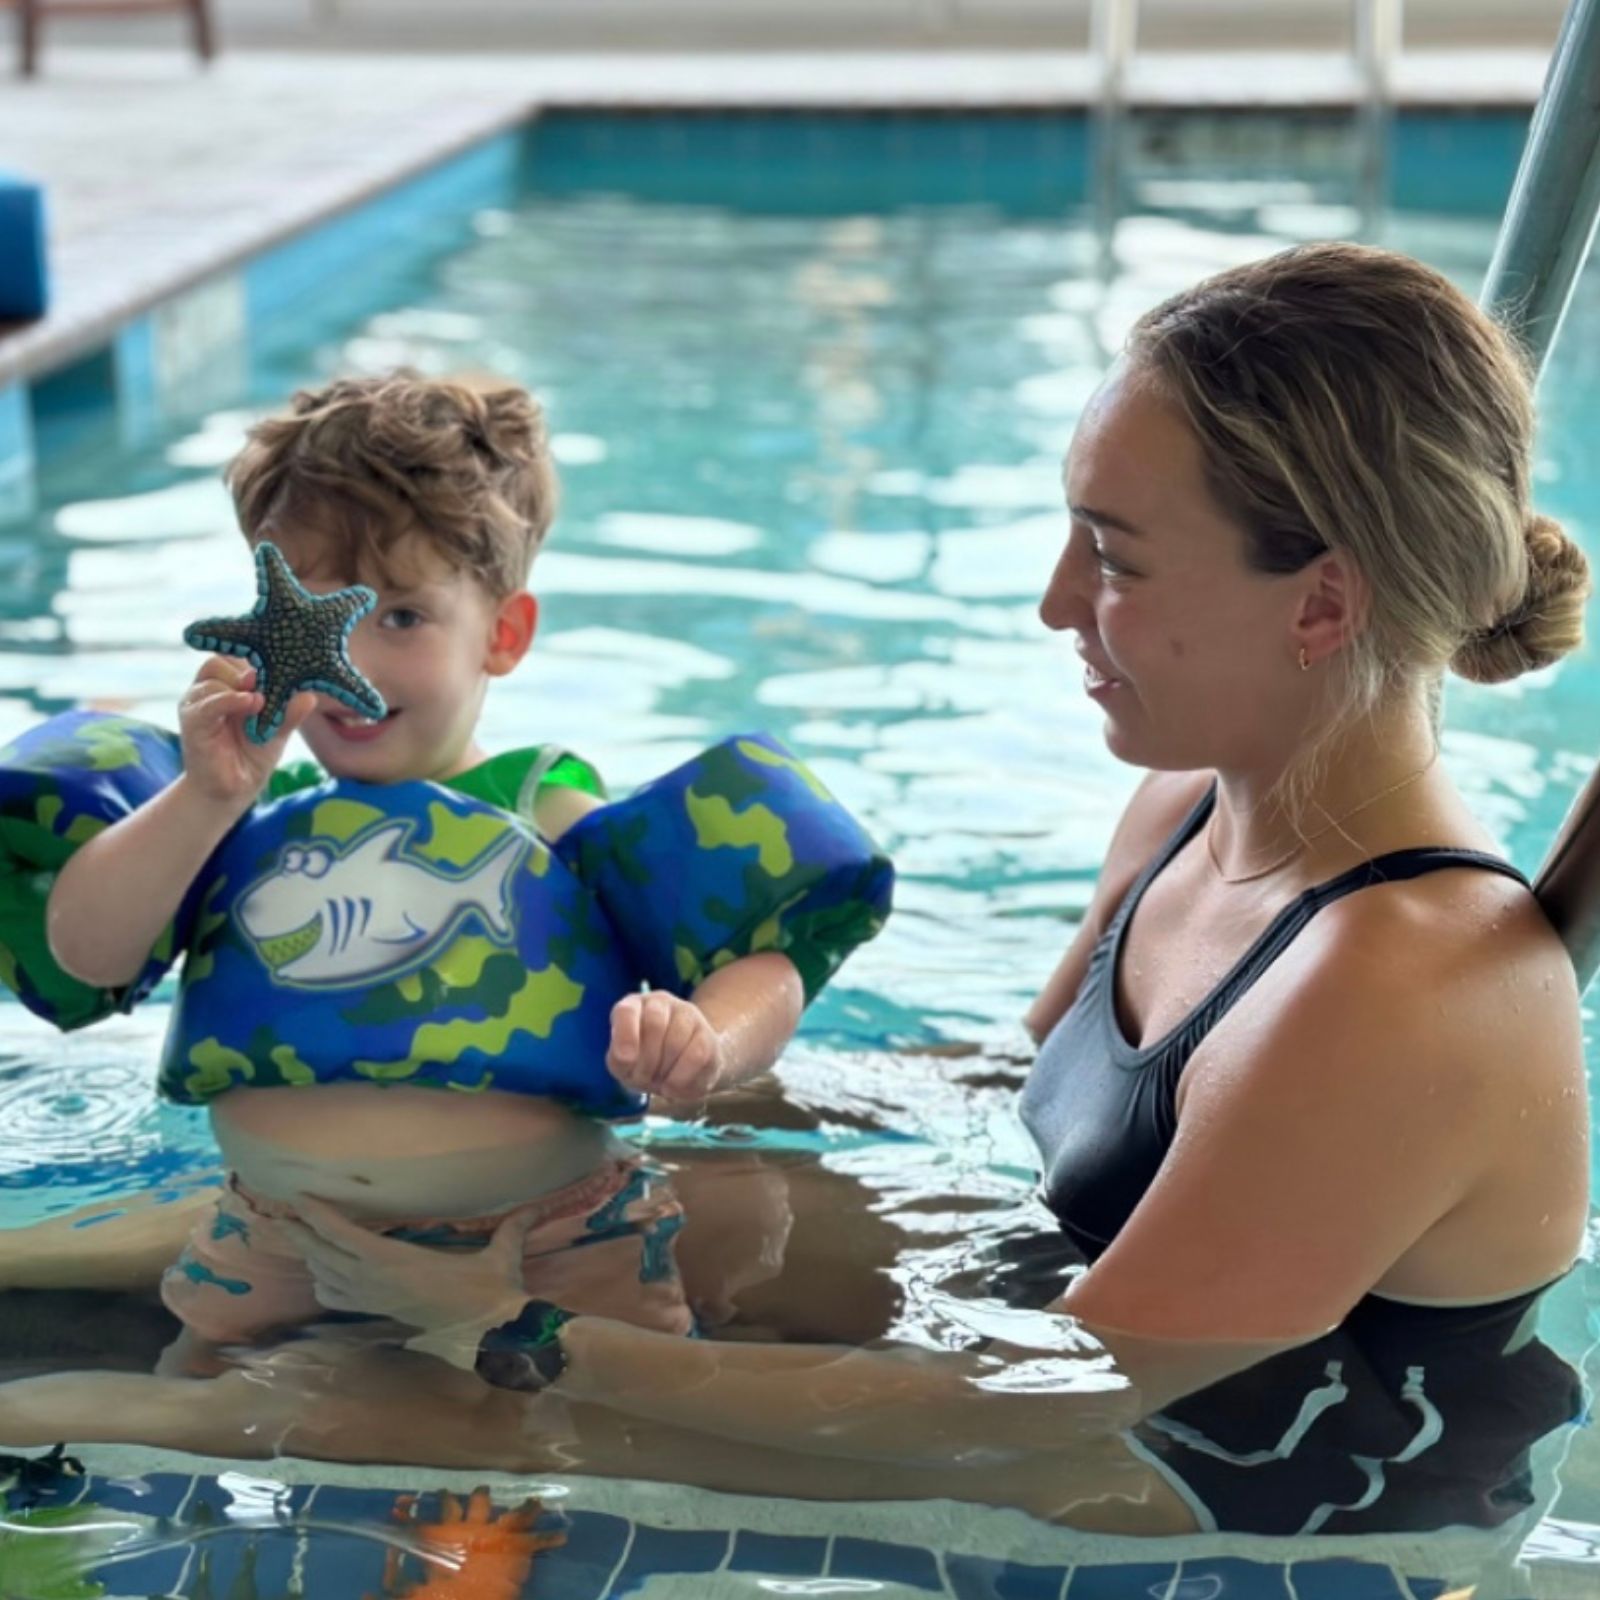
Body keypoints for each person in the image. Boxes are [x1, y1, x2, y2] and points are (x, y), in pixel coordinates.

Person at [0, 245, 1590, 1538]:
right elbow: (992, 1105)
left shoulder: (1403, 985)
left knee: (344, 1404)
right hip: (1051, 1286)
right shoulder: (1194, 808)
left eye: (1112, 554)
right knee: (510, 1207)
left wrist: (499, 1332)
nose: (1054, 603)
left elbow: (1040, 1396)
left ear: (1321, 604)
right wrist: (671, 1070)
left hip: (1232, 1474)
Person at [25, 372, 824, 1368]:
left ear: (501, 634)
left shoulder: (544, 809)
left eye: (398, 616)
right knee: (198, 1388)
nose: (346, 660)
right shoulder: (245, 815)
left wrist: (702, 1035)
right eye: (307, 613)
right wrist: (205, 797)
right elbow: (88, 950)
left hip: (549, 1232)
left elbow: (765, 961)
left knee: (598, 1408)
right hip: (274, 1225)